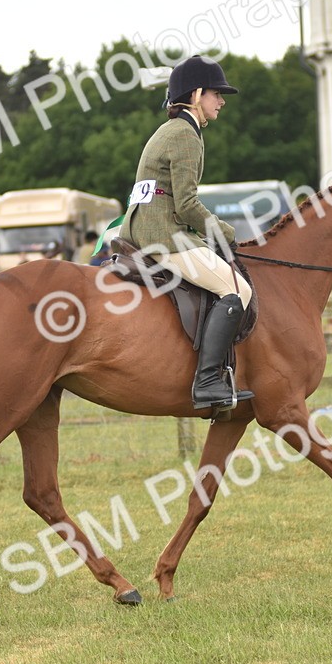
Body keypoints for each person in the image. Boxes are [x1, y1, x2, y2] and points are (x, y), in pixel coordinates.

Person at [119, 55, 253, 411]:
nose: (221, 101)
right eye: (215, 94)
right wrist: (225, 232)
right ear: (195, 94)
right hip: (161, 232)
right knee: (237, 288)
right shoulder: (185, 135)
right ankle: (208, 381)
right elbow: (188, 205)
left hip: (144, 225)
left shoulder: (169, 130)